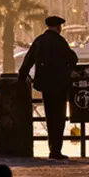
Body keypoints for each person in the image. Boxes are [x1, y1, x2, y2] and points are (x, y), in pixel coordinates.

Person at [19, 16, 78, 160]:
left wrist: (22, 76)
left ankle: (52, 148)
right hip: (60, 85)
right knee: (59, 118)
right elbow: (73, 58)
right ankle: (56, 150)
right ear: (58, 27)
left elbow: (29, 59)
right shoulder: (60, 41)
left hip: (46, 86)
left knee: (50, 117)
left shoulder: (40, 41)